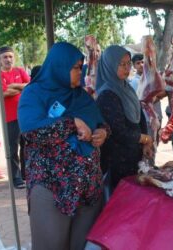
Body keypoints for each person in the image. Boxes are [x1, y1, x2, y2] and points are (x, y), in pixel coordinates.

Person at [18, 42, 108, 250]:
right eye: (76, 68)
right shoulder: (34, 94)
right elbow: (31, 131)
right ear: (59, 66)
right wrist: (71, 123)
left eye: (80, 67)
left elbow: (100, 121)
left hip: (88, 190)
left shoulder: (80, 95)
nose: (80, 73)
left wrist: (102, 132)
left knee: (81, 245)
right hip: (53, 188)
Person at [96, 45, 153, 190]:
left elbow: (140, 117)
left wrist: (146, 142)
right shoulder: (107, 94)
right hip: (117, 161)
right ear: (110, 65)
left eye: (128, 64)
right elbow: (119, 131)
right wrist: (145, 138)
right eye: (122, 64)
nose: (127, 68)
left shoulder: (127, 88)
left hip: (134, 156)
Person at [0, 46, 30, 189]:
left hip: (25, 115)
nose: (8, 59)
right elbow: (3, 93)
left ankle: (26, 174)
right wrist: (20, 87)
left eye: (10, 56)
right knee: (13, 148)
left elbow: (30, 86)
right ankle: (16, 178)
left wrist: (12, 85)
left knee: (26, 145)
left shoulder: (20, 70)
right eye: (5, 57)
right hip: (10, 117)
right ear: (0, 60)